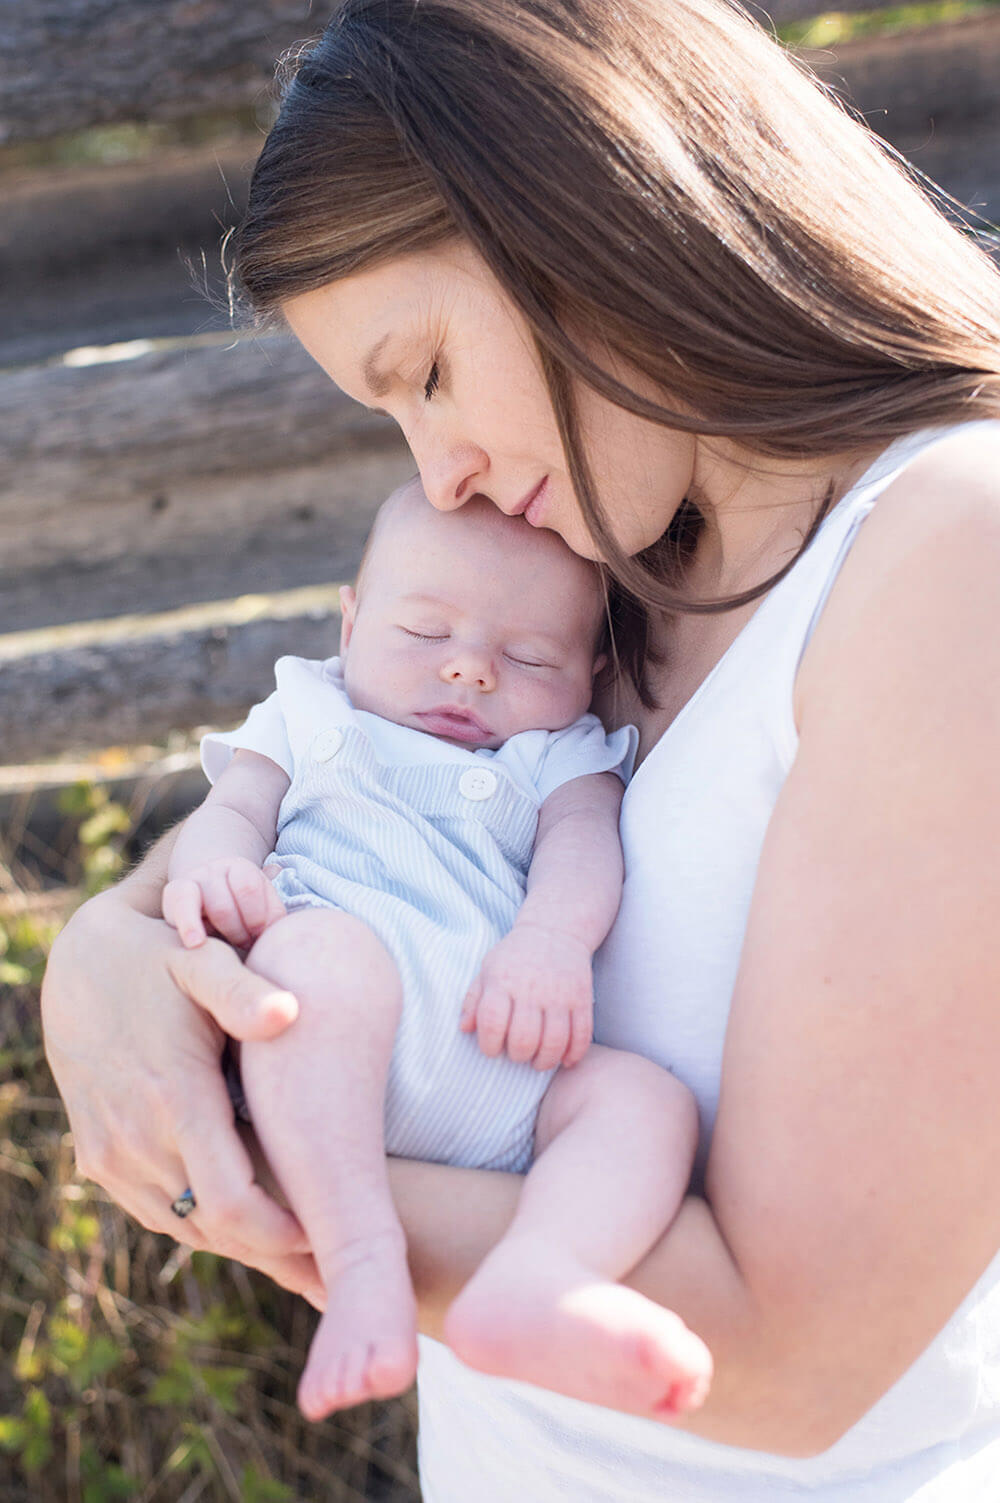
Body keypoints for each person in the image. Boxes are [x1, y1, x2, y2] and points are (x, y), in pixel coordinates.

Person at [41, 0, 1000, 1496]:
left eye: (424, 370)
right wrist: (97, 957)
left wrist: (248, 1154)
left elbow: (801, 1352)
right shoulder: (621, 558)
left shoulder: (955, 552)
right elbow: (337, 786)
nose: (445, 471)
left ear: (589, 207)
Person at [158, 477, 711, 1421]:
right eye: (423, 635)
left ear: (590, 672)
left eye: (531, 656)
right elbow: (231, 814)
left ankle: (543, 1273)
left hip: (502, 1058)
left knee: (643, 1102)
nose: (471, 671)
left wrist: (550, 939)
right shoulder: (310, 712)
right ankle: (363, 1257)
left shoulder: (556, 753)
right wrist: (212, 875)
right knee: (316, 960)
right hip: (328, 1038)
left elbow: (585, 849)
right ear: (351, 620)